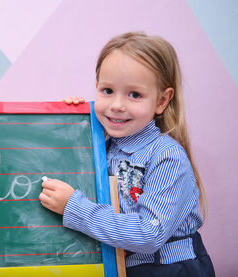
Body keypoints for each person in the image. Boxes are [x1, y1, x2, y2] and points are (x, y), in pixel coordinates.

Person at [39, 32, 215, 276]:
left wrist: (75, 207)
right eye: (107, 90)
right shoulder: (103, 144)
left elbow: (148, 234)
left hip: (167, 269)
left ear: (162, 101)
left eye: (134, 94)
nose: (117, 105)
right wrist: (73, 123)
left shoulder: (167, 157)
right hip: (119, 267)